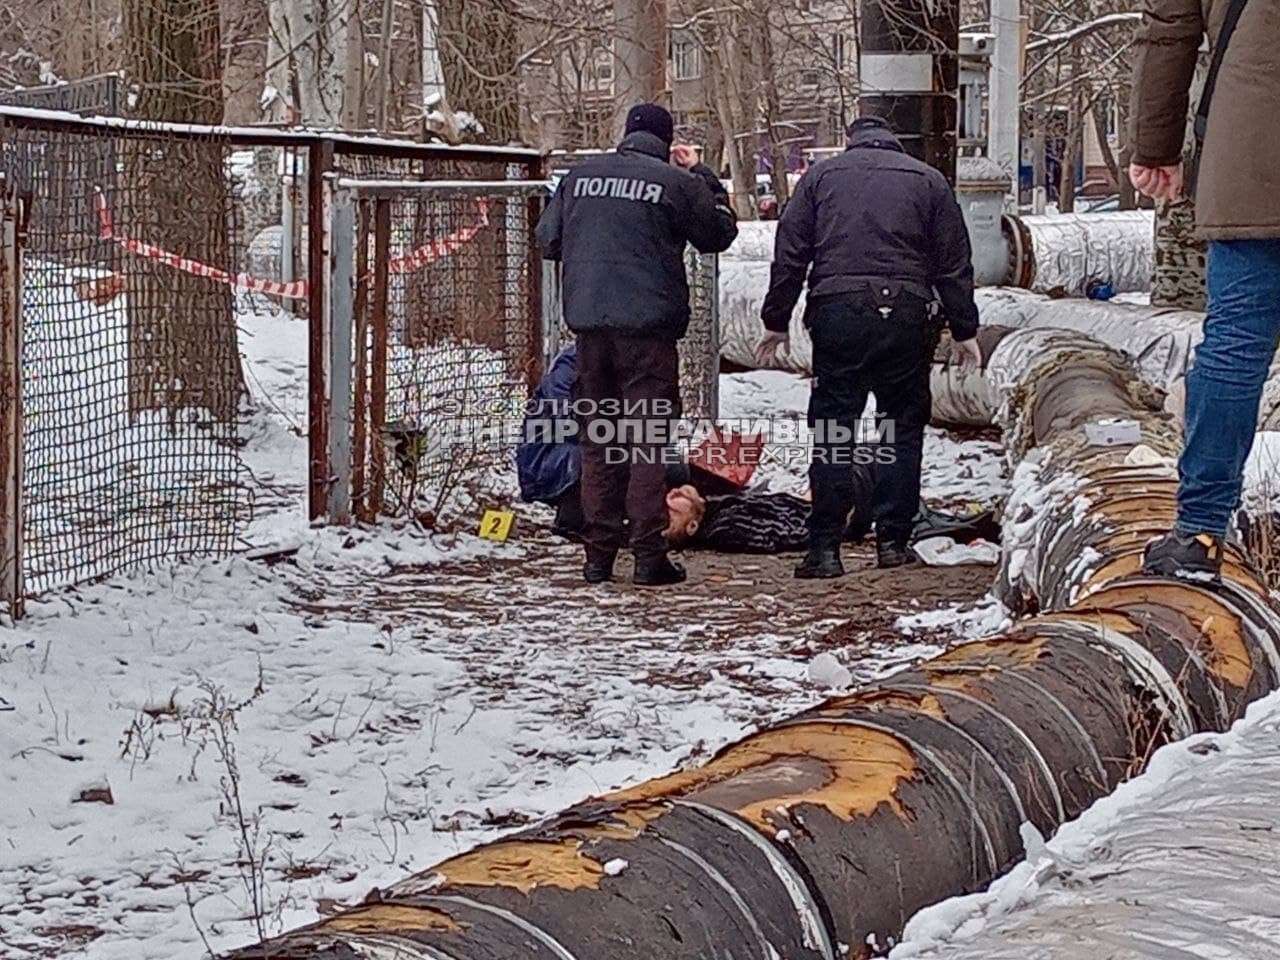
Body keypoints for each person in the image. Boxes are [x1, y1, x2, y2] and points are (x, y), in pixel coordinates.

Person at [755, 116, 982, 578]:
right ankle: (893, 541)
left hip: (838, 313)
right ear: (894, 144)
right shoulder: (929, 181)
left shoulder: (820, 178)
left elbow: (790, 254)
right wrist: (964, 329)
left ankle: (824, 550)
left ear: (849, 140)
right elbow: (954, 263)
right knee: (901, 425)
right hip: (908, 314)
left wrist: (775, 321)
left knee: (834, 427)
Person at [536, 103, 738, 586]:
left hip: (590, 332)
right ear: (667, 144)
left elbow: (547, 240)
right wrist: (705, 176)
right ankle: (649, 555)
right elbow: (718, 233)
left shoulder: (579, 178)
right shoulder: (672, 182)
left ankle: (598, 557)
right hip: (648, 335)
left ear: (625, 134)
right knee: (647, 440)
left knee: (599, 441)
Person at [1129, 0, 1280, 579]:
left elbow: (1169, 29)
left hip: (1253, 148)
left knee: (1235, 347)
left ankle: (1200, 533)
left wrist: (1156, 146)